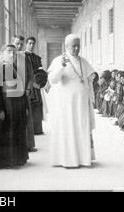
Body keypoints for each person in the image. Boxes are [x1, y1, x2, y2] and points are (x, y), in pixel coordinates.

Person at [46, 34, 96, 168]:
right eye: (73, 46)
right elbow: (52, 80)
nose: (76, 48)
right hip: (66, 103)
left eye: (78, 45)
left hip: (81, 103)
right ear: (67, 46)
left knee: (81, 127)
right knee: (68, 129)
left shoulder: (82, 60)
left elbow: (89, 75)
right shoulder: (59, 60)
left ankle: (83, 159)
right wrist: (61, 67)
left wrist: (92, 76)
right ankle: (67, 160)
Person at [0, 44, 29, 168]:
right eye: (9, 52)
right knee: (3, 133)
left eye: (14, 53)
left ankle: (13, 159)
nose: (12, 55)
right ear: (2, 54)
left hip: (14, 108)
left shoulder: (13, 68)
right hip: (4, 107)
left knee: (12, 134)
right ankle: (2, 160)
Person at [11, 35, 36, 152]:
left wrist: (28, 89)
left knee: (27, 117)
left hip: (24, 93)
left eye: (21, 44)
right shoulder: (7, 56)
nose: (19, 46)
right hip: (11, 93)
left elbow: (31, 76)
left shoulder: (25, 58)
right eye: (17, 43)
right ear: (13, 43)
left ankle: (28, 145)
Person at [25, 37, 45, 135]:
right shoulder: (23, 56)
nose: (31, 45)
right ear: (26, 44)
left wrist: (40, 83)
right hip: (27, 85)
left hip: (36, 86)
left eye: (33, 43)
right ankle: (29, 131)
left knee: (37, 105)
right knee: (29, 106)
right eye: (30, 43)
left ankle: (37, 129)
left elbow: (40, 72)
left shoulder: (37, 58)